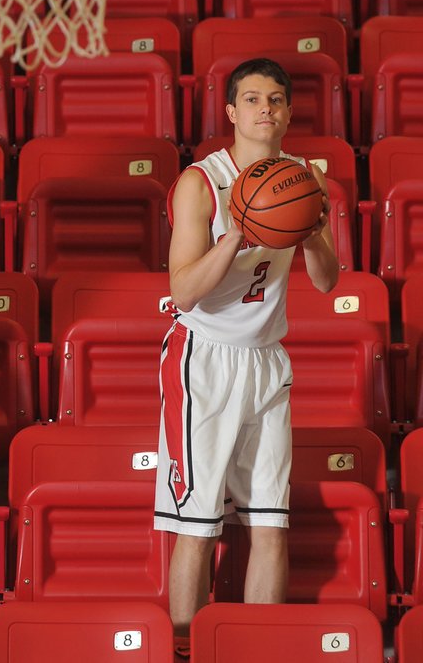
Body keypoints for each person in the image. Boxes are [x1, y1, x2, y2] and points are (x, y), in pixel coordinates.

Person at [154, 57, 339, 658]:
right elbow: (182, 290)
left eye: (278, 99)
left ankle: (262, 651)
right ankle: (185, 652)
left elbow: (330, 281)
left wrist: (311, 234)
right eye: (254, 99)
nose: (268, 109)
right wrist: (235, 231)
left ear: (288, 112)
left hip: (265, 359)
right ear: (233, 112)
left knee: (271, 523)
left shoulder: (305, 178)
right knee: (198, 526)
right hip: (201, 358)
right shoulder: (199, 182)